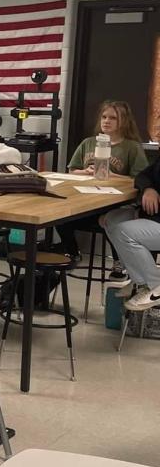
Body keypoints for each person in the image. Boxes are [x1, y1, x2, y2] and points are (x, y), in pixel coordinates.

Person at [57, 101, 147, 261]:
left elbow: (140, 178)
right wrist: (85, 171)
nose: (106, 121)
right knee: (59, 216)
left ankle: (119, 261)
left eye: (113, 118)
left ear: (124, 121)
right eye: (104, 117)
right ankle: (72, 252)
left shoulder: (131, 147)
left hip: (113, 202)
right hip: (85, 197)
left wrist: (113, 176)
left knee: (111, 222)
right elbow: (72, 169)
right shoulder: (88, 142)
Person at [106, 154, 160, 310]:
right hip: (154, 216)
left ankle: (155, 285)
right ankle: (140, 282)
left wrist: (142, 212)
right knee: (112, 219)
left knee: (123, 231)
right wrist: (149, 189)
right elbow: (142, 176)